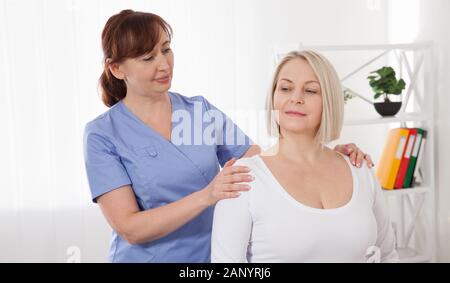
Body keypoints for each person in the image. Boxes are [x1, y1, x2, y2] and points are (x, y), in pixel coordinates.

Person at [83, 10, 373, 263]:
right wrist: (207, 196)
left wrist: (326, 156)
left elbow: (262, 162)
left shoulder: (198, 111)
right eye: (148, 57)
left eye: (167, 50)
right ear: (116, 68)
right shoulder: (102, 134)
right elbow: (130, 228)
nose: (164, 64)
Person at [211, 50, 398, 263]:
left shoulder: (360, 168)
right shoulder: (243, 178)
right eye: (285, 88)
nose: (296, 98)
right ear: (273, 97)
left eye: (310, 90)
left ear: (329, 101)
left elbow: (388, 255)